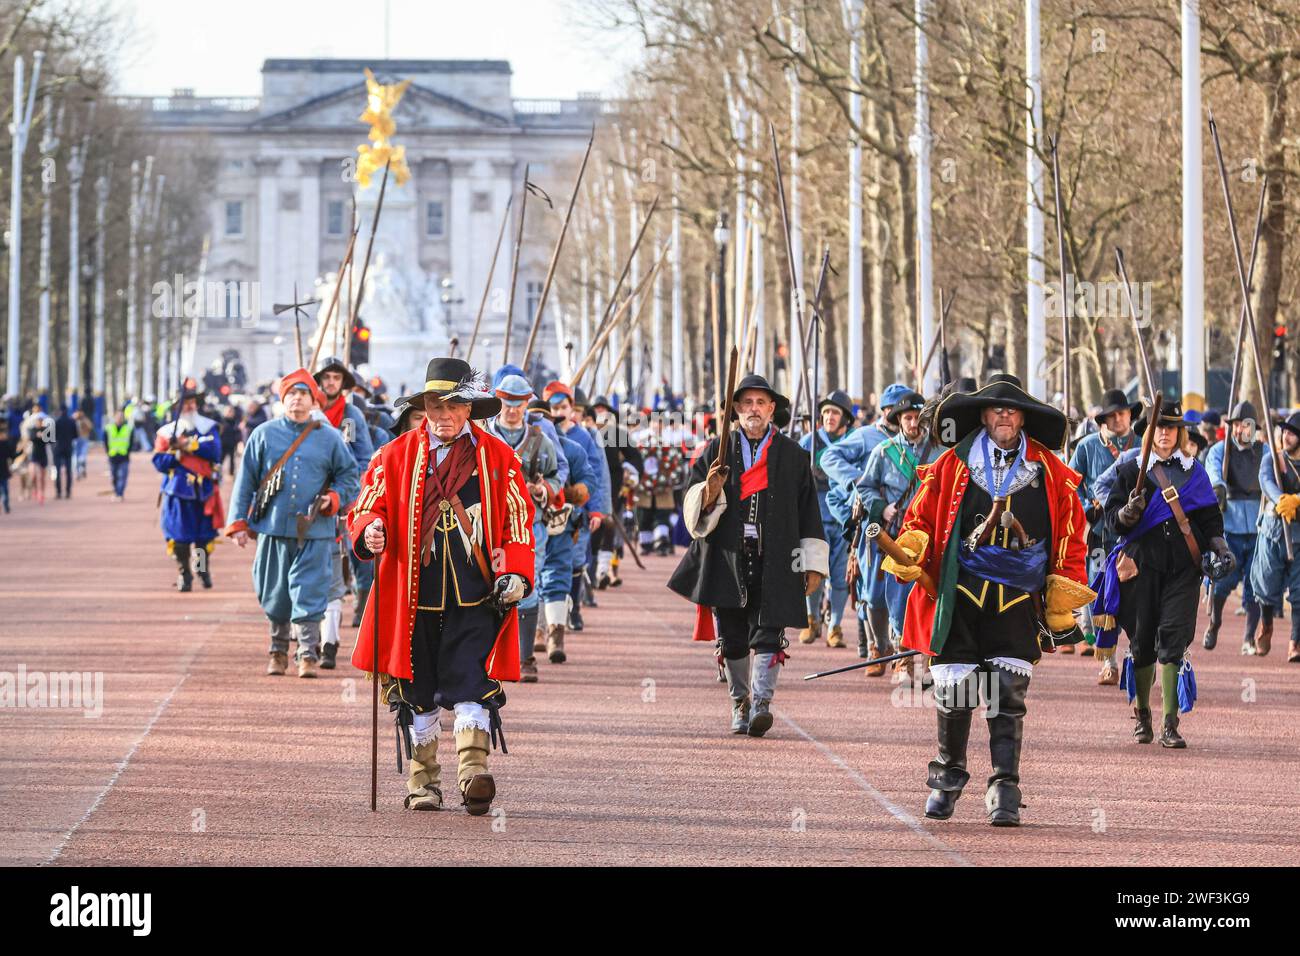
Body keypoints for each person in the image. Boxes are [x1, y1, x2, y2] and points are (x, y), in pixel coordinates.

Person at [885, 373, 1094, 826]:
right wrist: (913, 546)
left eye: (1012, 409)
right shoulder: (951, 465)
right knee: (954, 690)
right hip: (959, 592)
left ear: (1023, 418)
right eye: (996, 409)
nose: (1004, 415)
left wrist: (1064, 583)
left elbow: (1073, 535)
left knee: (1006, 694)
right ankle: (947, 779)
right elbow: (919, 516)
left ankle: (1005, 787)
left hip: (1018, 599)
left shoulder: (1050, 471)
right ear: (982, 415)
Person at [348, 357, 536, 814]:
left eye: (453, 405)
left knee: (471, 681)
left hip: (476, 593)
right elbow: (366, 508)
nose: (444, 414)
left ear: (469, 408)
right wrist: (370, 529)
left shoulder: (498, 457)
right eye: (435, 404)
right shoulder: (393, 455)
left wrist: (514, 569)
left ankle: (473, 774)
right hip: (413, 597)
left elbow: (518, 521)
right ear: (424, 406)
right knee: (418, 688)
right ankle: (422, 784)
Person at [669, 373, 828, 738]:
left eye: (761, 403)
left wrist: (813, 563)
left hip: (778, 558)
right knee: (734, 636)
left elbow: (809, 512)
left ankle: (762, 703)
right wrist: (709, 490)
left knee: (770, 631)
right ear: (736, 409)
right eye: (747, 403)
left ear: (772, 409)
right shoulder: (715, 450)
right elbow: (692, 510)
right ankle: (739, 701)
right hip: (728, 556)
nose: (754, 409)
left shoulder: (793, 456)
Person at [1098, 399, 1232, 747]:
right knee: (1142, 643)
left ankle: (1171, 724)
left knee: (1173, 638)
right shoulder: (1130, 471)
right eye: (1159, 428)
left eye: (1171, 428)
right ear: (1148, 432)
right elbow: (1111, 519)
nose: (1164, 434)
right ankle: (1143, 716)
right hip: (1141, 567)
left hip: (1183, 568)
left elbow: (1209, 518)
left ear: (1180, 432)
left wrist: (1219, 545)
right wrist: (1127, 514)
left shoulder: (1194, 471)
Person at [224, 369, 359, 677]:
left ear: (314, 401)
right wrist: (238, 522)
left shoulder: (331, 438)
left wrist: (335, 498)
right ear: (283, 399)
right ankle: (277, 651)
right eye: (292, 394)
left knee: (311, 591)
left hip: (316, 530)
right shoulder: (263, 434)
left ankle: (308, 653)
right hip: (272, 528)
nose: (297, 399)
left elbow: (350, 476)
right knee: (275, 592)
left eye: (304, 394)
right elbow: (245, 481)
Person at [822, 382, 911, 659]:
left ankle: (897, 649)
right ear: (886, 411)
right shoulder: (865, 436)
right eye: (894, 410)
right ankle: (873, 645)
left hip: (905, 526)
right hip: (868, 526)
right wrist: (857, 481)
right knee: (868, 588)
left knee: (904, 587)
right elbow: (829, 457)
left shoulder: (917, 441)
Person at [483, 374, 565, 673]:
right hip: (489, 526)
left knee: (526, 583)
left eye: (518, 404)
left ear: (527, 404)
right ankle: (487, 656)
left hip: (530, 525)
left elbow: (556, 475)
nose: (512, 409)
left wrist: (545, 489)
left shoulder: (541, 441)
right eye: (506, 403)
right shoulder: (484, 439)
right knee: (487, 585)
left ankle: (526, 657)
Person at [857, 389, 941, 678]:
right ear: (899, 420)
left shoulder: (941, 452)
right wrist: (883, 508)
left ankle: (927, 657)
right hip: (893, 536)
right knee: (889, 598)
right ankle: (895, 652)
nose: (913, 422)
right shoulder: (884, 452)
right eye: (908, 417)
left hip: (930, 537)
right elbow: (865, 487)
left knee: (927, 594)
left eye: (918, 417)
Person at [1069, 387, 1142, 681]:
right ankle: (1108, 662)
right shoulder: (1086, 447)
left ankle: (1136, 656)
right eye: (1111, 416)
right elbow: (1070, 483)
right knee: (1101, 594)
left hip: (1135, 534)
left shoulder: (1141, 445)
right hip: (1101, 532)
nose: (1118, 420)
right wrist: (1087, 506)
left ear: (1129, 415)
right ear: (1103, 420)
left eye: (1122, 414)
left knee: (1137, 597)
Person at [313, 356, 375, 667]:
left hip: (346, 498)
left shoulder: (353, 416)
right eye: (327, 377)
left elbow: (364, 457)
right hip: (313, 500)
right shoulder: (310, 413)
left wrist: (353, 487)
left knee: (355, 553)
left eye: (337, 377)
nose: (331, 382)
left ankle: (361, 601)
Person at [1203, 400, 1264, 654]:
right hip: (1230, 525)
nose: (1240, 430)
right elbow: (1213, 471)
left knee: (1255, 585)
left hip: (1259, 527)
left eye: (1244, 425)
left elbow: (1271, 474)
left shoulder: (1265, 451)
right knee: (1224, 580)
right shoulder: (1220, 450)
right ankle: (1215, 622)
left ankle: (1249, 637)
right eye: (1236, 425)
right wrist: (1219, 487)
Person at [797, 389, 856, 648]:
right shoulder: (809, 441)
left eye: (835, 412)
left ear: (846, 418)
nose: (830, 417)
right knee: (814, 573)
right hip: (815, 519)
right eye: (826, 412)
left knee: (841, 577)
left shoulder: (856, 442)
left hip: (844, 520)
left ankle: (835, 626)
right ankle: (812, 620)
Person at [152, 386, 224, 591]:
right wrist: (176, 454)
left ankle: (202, 570)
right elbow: (159, 462)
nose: (189, 405)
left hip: (203, 491)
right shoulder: (166, 433)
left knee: (203, 539)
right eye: (185, 402)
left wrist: (190, 445)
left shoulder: (208, 427)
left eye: (192, 401)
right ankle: (185, 574)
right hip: (178, 492)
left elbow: (215, 451)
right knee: (180, 539)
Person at [1249, 411, 1300, 663]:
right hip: (1273, 532)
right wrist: (1281, 498)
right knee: (1266, 586)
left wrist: (1296, 500)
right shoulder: (1273, 459)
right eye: (1285, 431)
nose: (1286, 435)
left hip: (1299, 534)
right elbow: (1265, 481)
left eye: (1292, 432)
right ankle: (1266, 625)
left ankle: (1295, 642)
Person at [103, 410, 134, 501]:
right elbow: (105, 441)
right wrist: (108, 451)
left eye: (121, 416)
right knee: (114, 476)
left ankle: (120, 493)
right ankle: (116, 491)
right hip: (113, 456)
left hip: (124, 456)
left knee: (123, 476)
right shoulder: (108, 428)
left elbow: (131, 442)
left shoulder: (128, 428)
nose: (119, 418)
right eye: (118, 416)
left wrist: (128, 451)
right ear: (114, 417)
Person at [53, 406, 77, 499]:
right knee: (68, 471)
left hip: (58, 448)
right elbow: (75, 435)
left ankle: (58, 492)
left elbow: (52, 436)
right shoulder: (72, 421)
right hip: (68, 447)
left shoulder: (56, 421)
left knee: (57, 471)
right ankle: (68, 491)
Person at [0, 422, 17, 513]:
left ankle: (5, 505)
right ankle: (6, 505)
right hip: (4, 470)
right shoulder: (6, 444)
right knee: (5, 489)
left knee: (4, 489)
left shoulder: (6, 443)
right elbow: (12, 456)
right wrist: (20, 452)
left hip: (4, 470)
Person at [73, 409, 92, 480]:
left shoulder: (85, 420)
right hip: (75, 440)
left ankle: (82, 469)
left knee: (82, 457)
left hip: (84, 439)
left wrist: (83, 421)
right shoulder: (73, 420)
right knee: (75, 457)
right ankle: (77, 473)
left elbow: (90, 427)